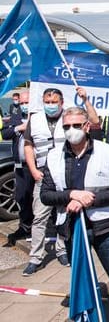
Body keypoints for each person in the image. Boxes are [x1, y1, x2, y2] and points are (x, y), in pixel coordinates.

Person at [40, 106, 109, 320]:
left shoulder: (106, 151)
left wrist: (89, 199)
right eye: (66, 126)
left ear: (86, 126)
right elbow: (45, 195)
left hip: (104, 228)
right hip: (72, 229)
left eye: (75, 125)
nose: (70, 130)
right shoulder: (54, 155)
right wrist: (71, 195)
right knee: (82, 278)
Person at [22, 87, 99, 276]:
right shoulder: (36, 119)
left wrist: (86, 100)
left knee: (63, 215)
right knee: (39, 216)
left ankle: (61, 250)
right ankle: (35, 258)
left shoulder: (70, 118)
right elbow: (28, 145)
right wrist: (33, 170)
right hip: (42, 174)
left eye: (54, 102)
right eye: (47, 102)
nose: (50, 105)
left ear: (61, 102)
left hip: (64, 173)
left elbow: (95, 123)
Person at [1, 91, 33, 245]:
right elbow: (5, 133)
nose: (24, 105)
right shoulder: (14, 117)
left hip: (37, 165)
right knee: (21, 196)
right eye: (22, 103)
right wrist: (18, 127)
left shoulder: (39, 117)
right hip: (20, 166)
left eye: (27, 102)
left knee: (39, 198)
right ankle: (25, 226)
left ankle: (45, 228)